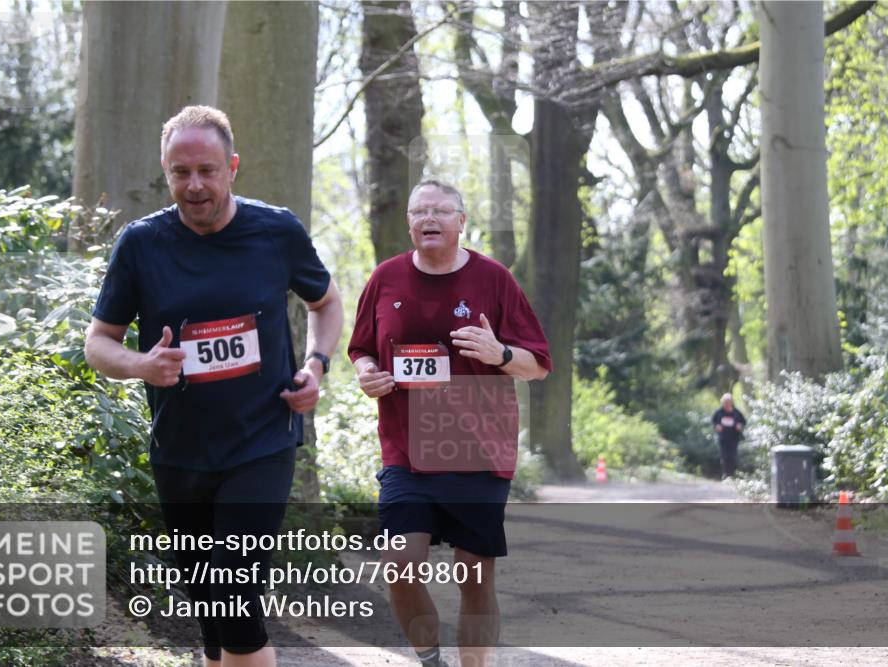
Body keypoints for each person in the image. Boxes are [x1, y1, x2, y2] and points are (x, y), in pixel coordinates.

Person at [84, 105, 342, 667]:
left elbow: (325, 302)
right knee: (209, 606)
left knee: (235, 598)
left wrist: (317, 366)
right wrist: (142, 365)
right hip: (180, 451)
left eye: (207, 170)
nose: (194, 185)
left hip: (262, 441)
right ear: (165, 171)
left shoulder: (276, 231)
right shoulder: (141, 244)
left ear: (233, 167)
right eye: (180, 172)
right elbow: (98, 341)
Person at [347, 179, 551, 667]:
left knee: (475, 577)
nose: (429, 219)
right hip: (407, 449)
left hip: (476, 449)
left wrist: (500, 353)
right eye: (419, 212)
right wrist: (366, 374)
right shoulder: (386, 278)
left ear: (461, 221)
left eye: (440, 211)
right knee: (399, 565)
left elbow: (539, 364)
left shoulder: (494, 279)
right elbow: (361, 348)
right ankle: (430, 658)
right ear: (409, 223)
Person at [712, 393, 746, 479]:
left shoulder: (736, 412)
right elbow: (713, 422)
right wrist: (716, 426)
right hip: (723, 438)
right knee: (724, 456)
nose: (727, 403)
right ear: (722, 402)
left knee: (732, 457)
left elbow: (743, 422)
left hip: (734, 439)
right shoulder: (718, 412)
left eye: (729, 401)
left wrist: (740, 426)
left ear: (732, 402)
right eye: (725, 402)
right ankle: (725, 474)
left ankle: (732, 475)